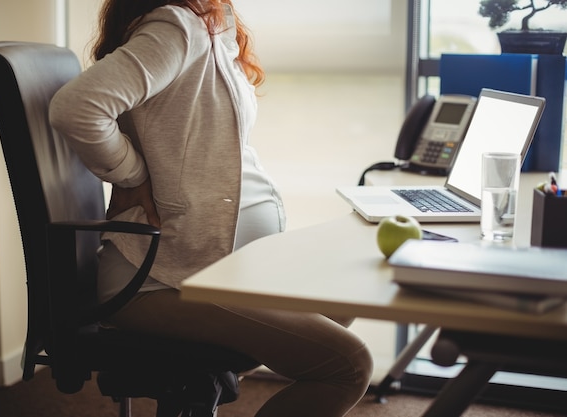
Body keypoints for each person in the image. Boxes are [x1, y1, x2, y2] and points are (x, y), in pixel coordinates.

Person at [49, 1, 373, 415]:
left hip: (211, 268)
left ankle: (204, 386)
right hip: (161, 281)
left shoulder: (210, 28)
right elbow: (77, 107)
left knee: (347, 286)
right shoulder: (177, 29)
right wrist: (133, 175)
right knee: (348, 366)